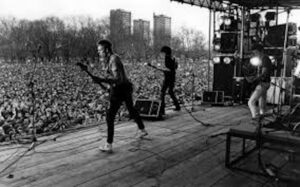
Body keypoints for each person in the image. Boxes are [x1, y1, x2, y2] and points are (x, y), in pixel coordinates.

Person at [84, 39, 148, 153]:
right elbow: (113, 77)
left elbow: (118, 79)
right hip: (124, 88)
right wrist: (105, 84)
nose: (98, 52)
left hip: (120, 89)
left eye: (100, 50)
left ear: (106, 50)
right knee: (131, 109)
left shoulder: (114, 59)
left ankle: (109, 144)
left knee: (110, 116)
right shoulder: (109, 59)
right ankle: (142, 129)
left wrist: (102, 80)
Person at [247, 43, 272, 124]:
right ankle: (262, 120)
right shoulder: (263, 59)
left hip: (263, 83)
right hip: (265, 83)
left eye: (256, 52)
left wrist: (254, 79)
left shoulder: (265, 59)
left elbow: (264, 73)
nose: (255, 54)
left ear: (261, 51)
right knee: (262, 103)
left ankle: (256, 117)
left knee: (251, 102)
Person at [159, 46, 181, 115]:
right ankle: (177, 106)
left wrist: (164, 70)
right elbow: (175, 67)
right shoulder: (172, 58)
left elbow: (169, 69)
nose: (162, 54)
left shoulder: (167, 58)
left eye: (163, 52)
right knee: (170, 91)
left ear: (165, 52)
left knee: (162, 92)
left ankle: (162, 109)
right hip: (172, 77)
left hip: (168, 78)